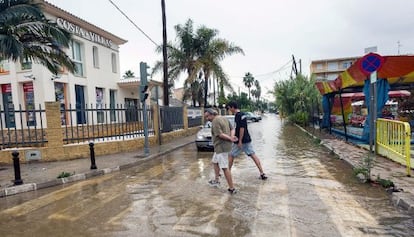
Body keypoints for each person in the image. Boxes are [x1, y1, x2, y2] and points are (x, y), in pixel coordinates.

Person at [226, 101, 268, 180]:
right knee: (253, 155)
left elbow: (242, 128)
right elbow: (239, 128)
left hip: (240, 140)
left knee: (231, 155)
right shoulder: (243, 114)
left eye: (229, 108)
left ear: (232, 107)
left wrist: (240, 141)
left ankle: (227, 172)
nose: (229, 110)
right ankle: (262, 173)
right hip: (247, 139)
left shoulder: (238, 116)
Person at [204, 108, 238, 194]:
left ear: (212, 114)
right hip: (222, 147)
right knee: (215, 162)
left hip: (221, 147)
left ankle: (232, 188)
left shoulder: (215, 121)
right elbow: (232, 128)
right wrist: (232, 137)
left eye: (207, 116)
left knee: (225, 168)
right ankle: (216, 180)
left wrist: (230, 138)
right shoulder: (224, 118)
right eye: (206, 117)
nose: (207, 118)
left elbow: (219, 134)